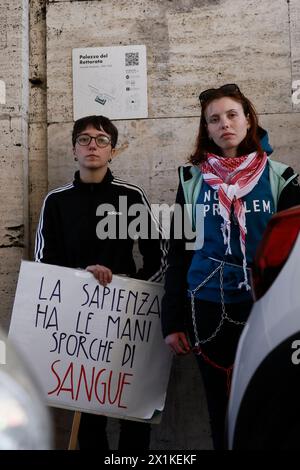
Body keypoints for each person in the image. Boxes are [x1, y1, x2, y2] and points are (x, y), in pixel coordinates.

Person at [161, 84, 300, 449]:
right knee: (219, 406)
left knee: (270, 403)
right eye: (214, 119)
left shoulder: (281, 178)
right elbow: (178, 253)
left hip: (266, 307)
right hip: (206, 306)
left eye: (232, 115)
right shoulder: (190, 182)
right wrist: (172, 321)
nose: (225, 124)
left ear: (248, 118)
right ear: (205, 129)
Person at [34, 114, 168, 450]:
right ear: (74, 149)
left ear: (113, 151)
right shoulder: (56, 201)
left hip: (128, 321)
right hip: (76, 325)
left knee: (135, 417)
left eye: (102, 139)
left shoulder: (131, 196)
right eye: (84, 139)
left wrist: (126, 285)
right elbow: (43, 264)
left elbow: (160, 259)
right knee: (87, 419)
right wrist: (83, 280)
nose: (92, 145)